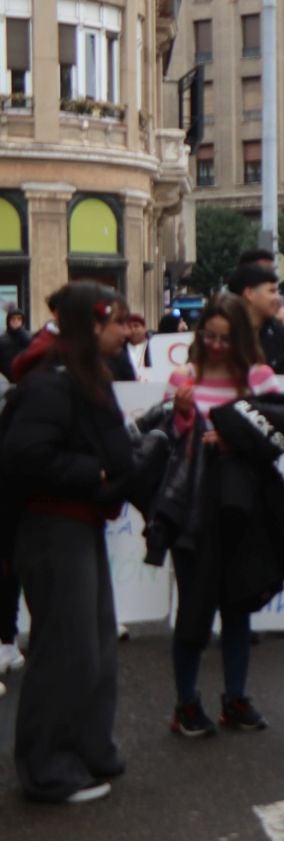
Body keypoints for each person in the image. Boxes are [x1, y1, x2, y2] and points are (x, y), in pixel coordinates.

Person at [0, 283, 132, 803]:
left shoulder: (76, 377)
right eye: (117, 321)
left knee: (95, 645)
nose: (127, 330)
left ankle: (89, 746)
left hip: (77, 525)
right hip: (53, 529)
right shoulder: (52, 384)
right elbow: (24, 458)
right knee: (64, 650)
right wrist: (94, 471)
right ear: (91, 326)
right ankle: (47, 767)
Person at [161, 297, 282, 736]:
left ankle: (235, 696)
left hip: (240, 505)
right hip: (193, 506)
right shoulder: (183, 378)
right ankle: (186, 703)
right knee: (193, 609)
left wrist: (234, 440)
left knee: (237, 605)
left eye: (224, 338)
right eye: (208, 336)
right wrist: (180, 413)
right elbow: (167, 444)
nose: (215, 345)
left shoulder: (259, 378)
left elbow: (278, 434)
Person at [232, 251, 284, 377]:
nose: (278, 298)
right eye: (272, 291)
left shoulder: (279, 333)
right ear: (249, 293)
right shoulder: (223, 329)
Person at [1, 307, 30, 379]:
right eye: (13, 319)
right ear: (8, 321)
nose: (16, 321)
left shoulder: (27, 335)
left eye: (19, 319)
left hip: (26, 377)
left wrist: (20, 331)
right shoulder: (2, 339)